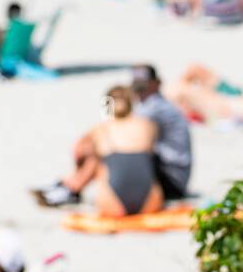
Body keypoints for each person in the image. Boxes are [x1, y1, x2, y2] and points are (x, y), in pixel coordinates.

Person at [31, 86, 163, 217]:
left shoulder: (101, 129)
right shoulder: (148, 125)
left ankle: (69, 188)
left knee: (97, 161)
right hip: (151, 203)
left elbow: (77, 151)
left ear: (107, 105)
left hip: (113, 204)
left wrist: (79, 169)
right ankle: (67, 188)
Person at [129, 65, 192, 200]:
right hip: (173, 175)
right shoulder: (152, 105)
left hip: (173, 179)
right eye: (135, 84)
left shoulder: (156, 107)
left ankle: (75, 187)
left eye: (142, 84)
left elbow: (126, 133)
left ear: (156, 83)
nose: (138, 89)